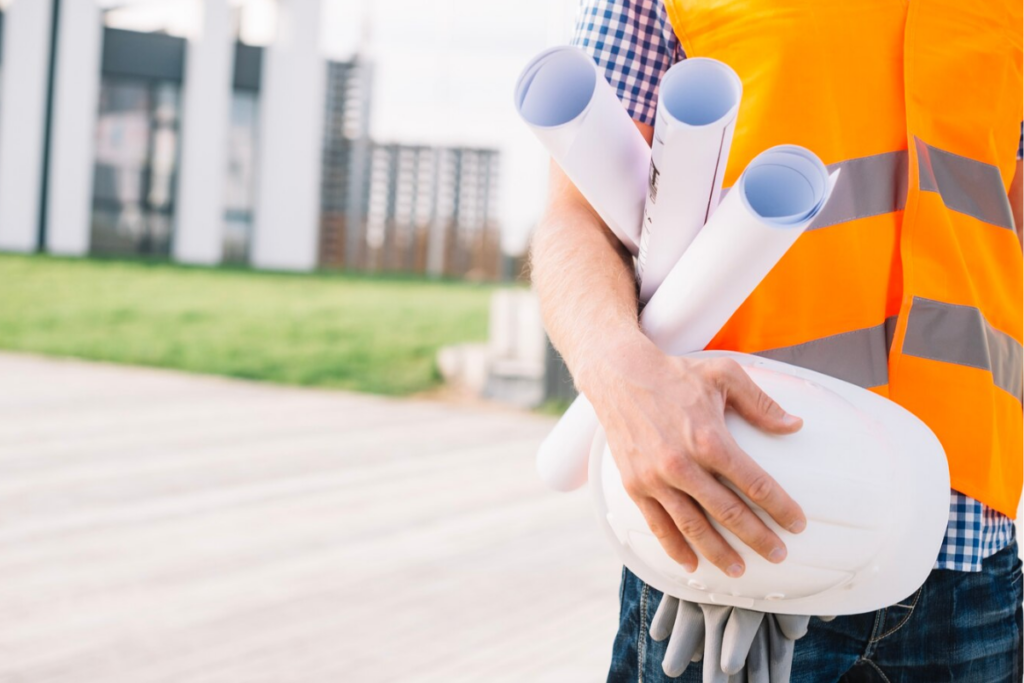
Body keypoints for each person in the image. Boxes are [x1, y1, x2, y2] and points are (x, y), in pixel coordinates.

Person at [528, 1, 1024, 681]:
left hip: (967, 560)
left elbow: (1003, 232)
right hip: (737, 521)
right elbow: (576, 215)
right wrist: (625, 383)